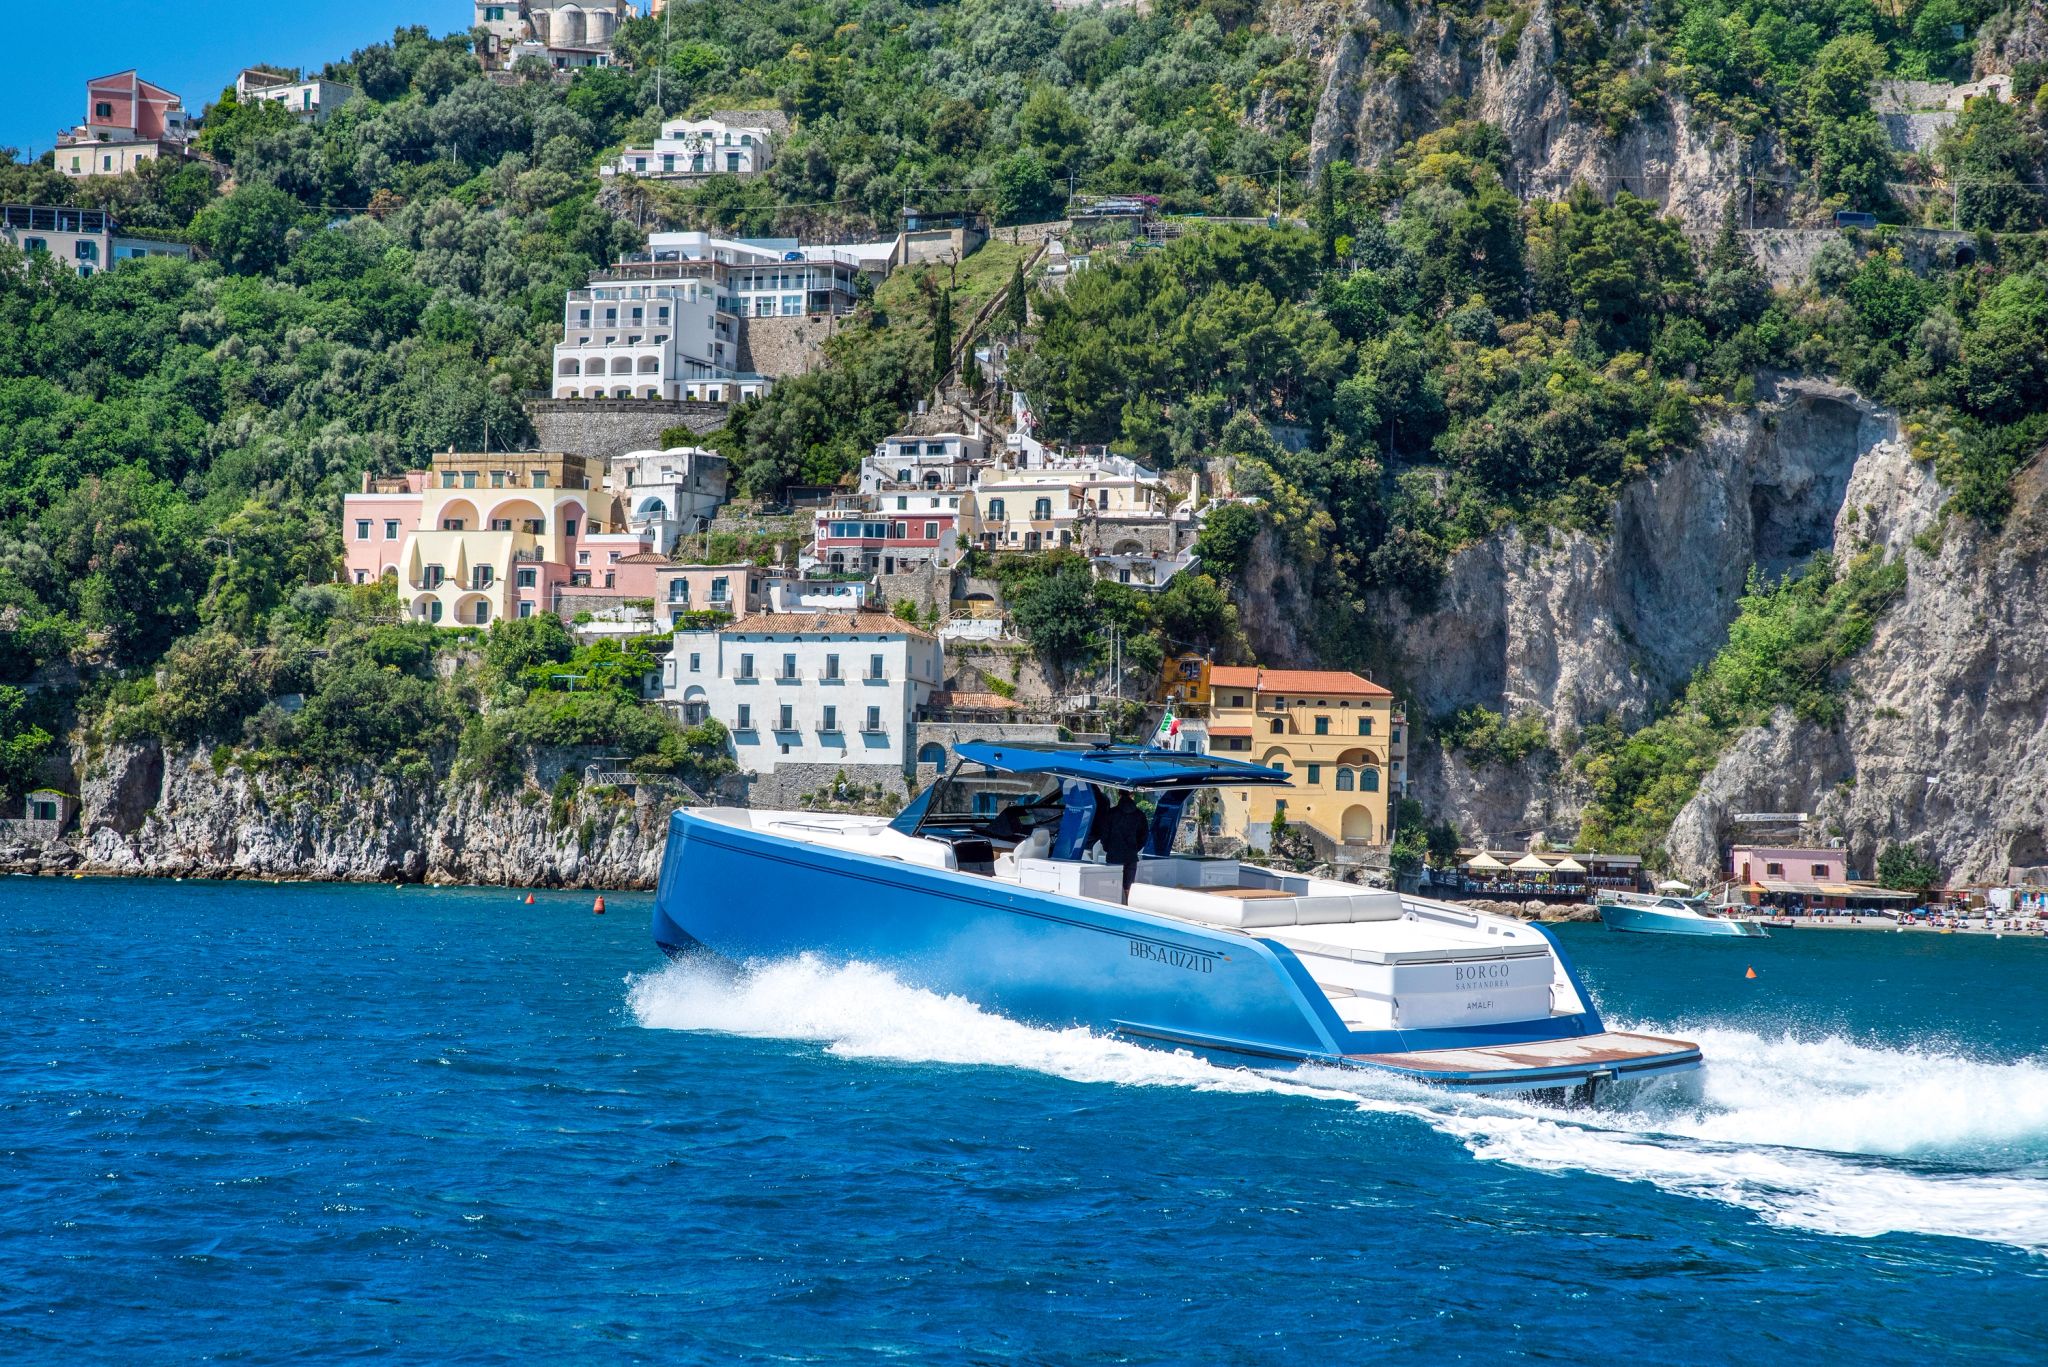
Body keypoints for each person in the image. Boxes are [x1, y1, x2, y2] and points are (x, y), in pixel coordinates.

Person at [1094, 791, 1152, 893]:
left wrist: (1108, 848)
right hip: (1131, 856)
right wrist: (1134, 848)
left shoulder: (1111, 813)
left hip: (1113, 856)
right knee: (1128, 889)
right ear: (1132, 795)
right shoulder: (1140, 815)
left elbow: (1104, 834)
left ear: (1119, 795)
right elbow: (1144, 836)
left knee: (1113, 888)